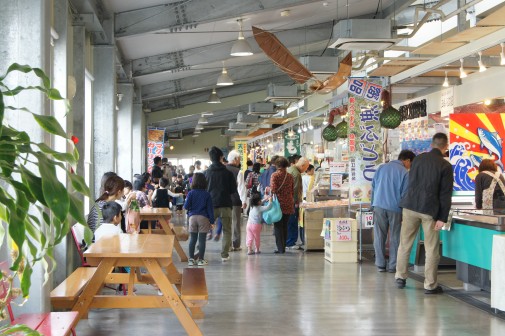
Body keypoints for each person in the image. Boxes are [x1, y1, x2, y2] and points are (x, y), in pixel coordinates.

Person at [395, 133, 453, 294]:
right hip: (430, 210)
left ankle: (400, 277)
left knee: (405, 243)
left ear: (432, 144)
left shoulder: (418, 159)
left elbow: (411, 182)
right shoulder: (445, 166)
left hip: (409, 206)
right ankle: (430, 285)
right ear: (445, 146)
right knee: (431, 248)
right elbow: (445, 194)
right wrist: (442, 217)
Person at [371, 150, 416, 273]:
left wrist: (372, 205)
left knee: (379, 235)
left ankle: (380, 264)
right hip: (395, 208)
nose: (410, 166)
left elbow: (373, 187)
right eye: (410, 164)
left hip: (378, 205)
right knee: (395, 236)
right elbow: (405, 194)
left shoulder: (381, 168)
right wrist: (403, 211)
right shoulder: (404, 173)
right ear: (407, 160)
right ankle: (393, 265)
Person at [204, 146, 237, 262]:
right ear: (221, 157)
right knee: (227, 230)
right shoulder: (227, 173)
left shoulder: (206, 173)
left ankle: (201, 251)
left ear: (210, 158)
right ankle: (224, 255)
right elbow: (233, 190)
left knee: (204, 229)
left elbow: (203, 190)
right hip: (226, 204)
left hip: (210, 206)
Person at [184, 173, 214, 266]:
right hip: (203, 218)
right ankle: (201, 260)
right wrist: (212, 221)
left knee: (193, 239)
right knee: (202, 240)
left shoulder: (191, 193)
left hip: (192, 218)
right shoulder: (207, 194)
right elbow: (210, 209)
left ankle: (191, 260)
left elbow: (186, 206)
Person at [269, 157, 294, 254]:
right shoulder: (290, 176)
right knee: (285, 226)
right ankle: (283, 246)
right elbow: (292, 190)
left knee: (278, 226)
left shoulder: (275, 175)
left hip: (278, 204)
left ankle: (280, 248)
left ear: (277, 165)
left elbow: (273, 190)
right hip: (288, 203)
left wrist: (267, 189)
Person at [226, 150, 247, 251]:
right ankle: (236, 245)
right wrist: (244, 200)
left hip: (224, 201)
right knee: (236, 223)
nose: (239, 161)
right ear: (235, 159)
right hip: (235, 200)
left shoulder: (223, 170)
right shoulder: (238, 172)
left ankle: (228, 245)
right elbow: (241, 188)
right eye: (239, 159)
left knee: (226, 223)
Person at [286, 157, 309, 249]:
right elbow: (295, 190)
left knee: (289, 222)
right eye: (306, 168)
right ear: (302, 165)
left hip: (287, 201)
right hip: (292, 202)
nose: (306, 170)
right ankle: (291, 242)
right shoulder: (296, 174)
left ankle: (288, 241)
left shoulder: (290, 169)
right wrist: (296, 202)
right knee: (293, 222)